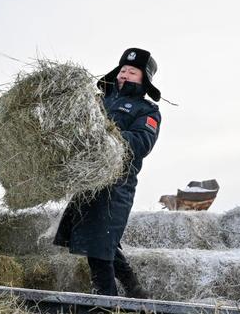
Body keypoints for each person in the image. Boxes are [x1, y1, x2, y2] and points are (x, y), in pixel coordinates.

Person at [53, 48, 162, 297]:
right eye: (122, 70)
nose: (124, 74)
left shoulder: (147, 110)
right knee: (102, 242)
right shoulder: (97, 101)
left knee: (99, 247)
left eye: (132, 71)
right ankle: (136, 292)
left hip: (116, 185)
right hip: (89, 182)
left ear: (143, 79)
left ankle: (106, 303)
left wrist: (106, 136)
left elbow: (142, 143)